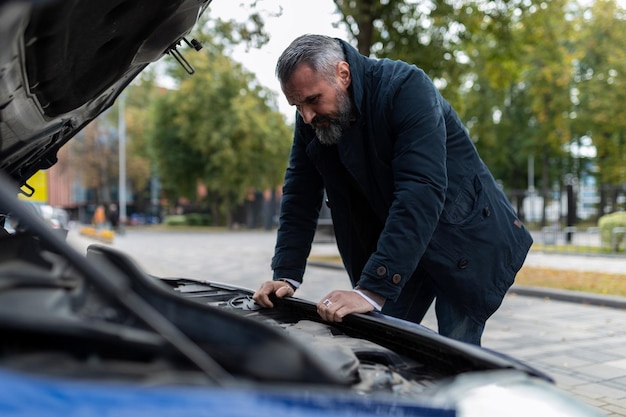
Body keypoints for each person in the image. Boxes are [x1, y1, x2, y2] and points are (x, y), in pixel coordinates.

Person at [252, 34, 533, 345]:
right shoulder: (312, 119)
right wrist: (285, 274)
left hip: (461, 238)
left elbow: (421, 189)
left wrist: (373, 289)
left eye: (313, 100)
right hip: (400, 241)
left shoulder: (406, 87)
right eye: (297, 105)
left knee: (456, 354)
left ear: (343, 74)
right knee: (378, 343)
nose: (306, 116)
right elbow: (299, 193)